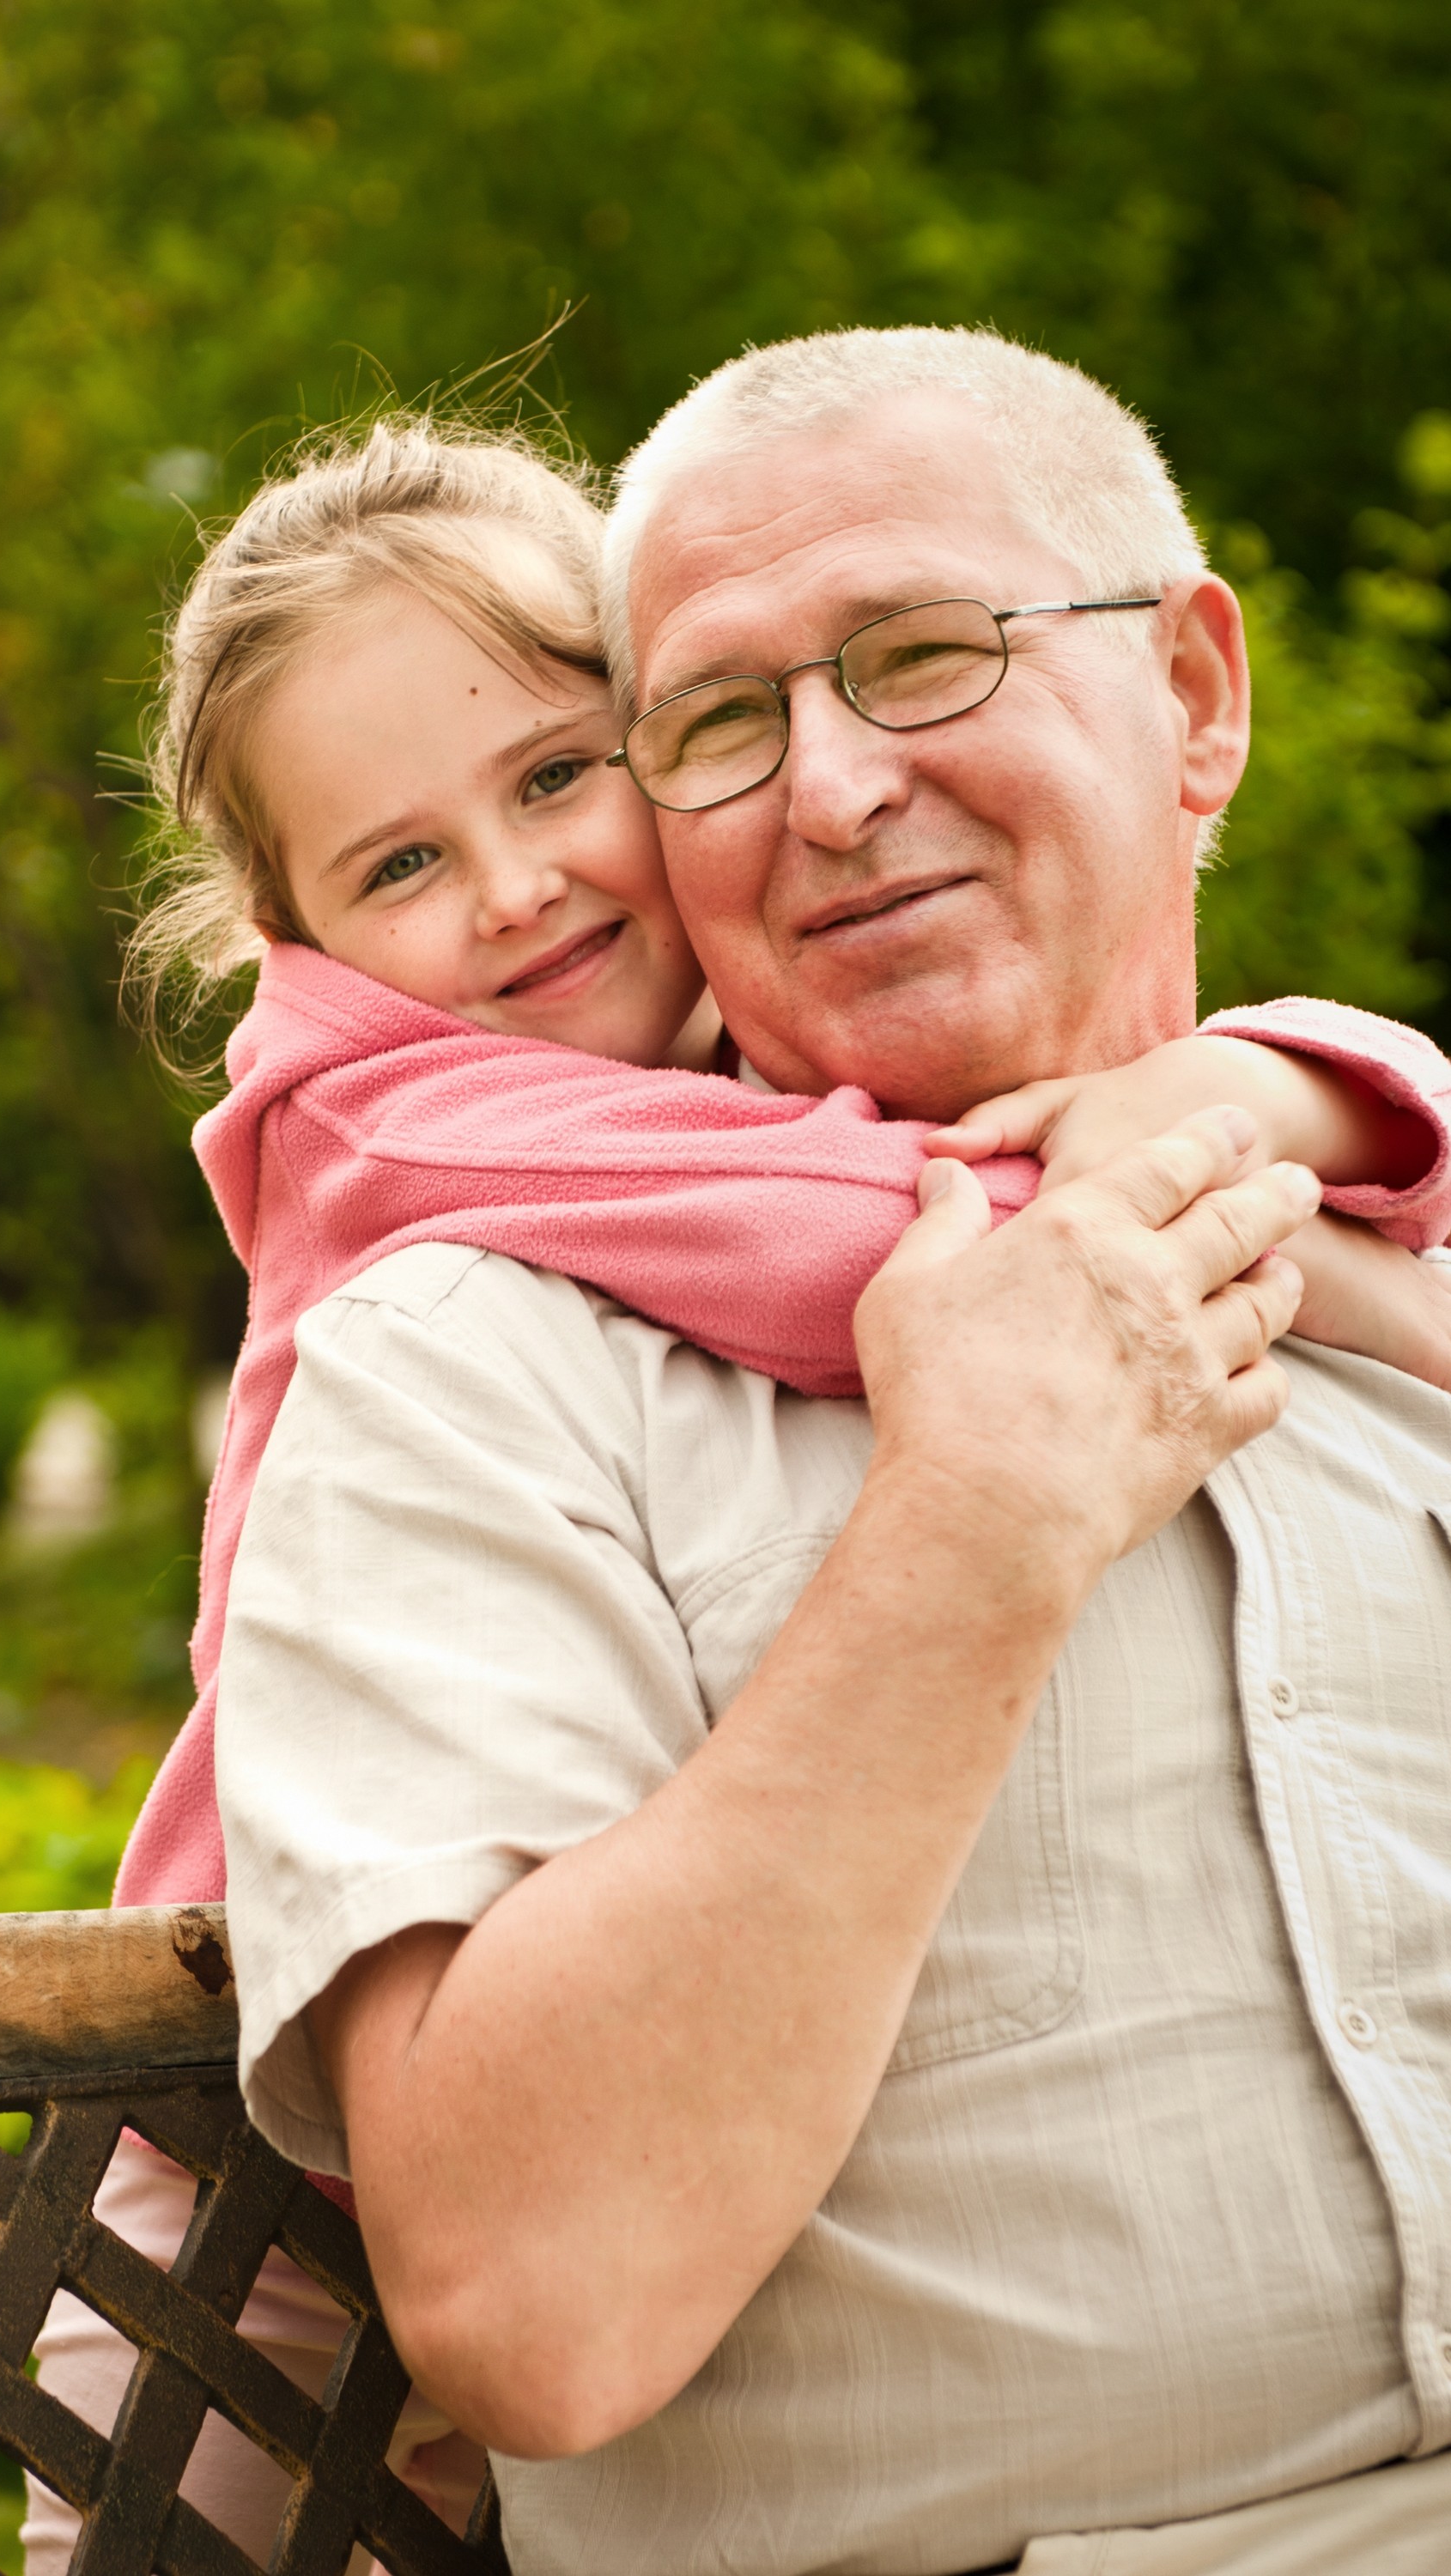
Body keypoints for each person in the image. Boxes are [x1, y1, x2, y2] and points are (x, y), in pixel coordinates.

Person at [211, 332, 1451, 2575]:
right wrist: (979, 1518)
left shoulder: (1381, 1250)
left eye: (920, 656)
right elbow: (534, 2310)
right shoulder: (478, 1359)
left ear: (1193, 699)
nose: (835, 788)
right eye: (720, 721)